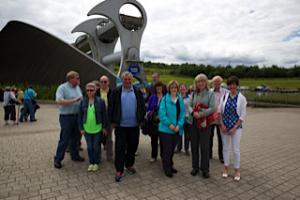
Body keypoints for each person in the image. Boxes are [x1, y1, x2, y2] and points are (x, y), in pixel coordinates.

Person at [108, 71, 146, 182]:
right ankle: (119, 169)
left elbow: (142, 106)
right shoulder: (116, 92)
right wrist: (111, 122)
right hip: (121, 126)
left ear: (132, 80)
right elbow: (111, 108)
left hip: (134, 126)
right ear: (122, 80)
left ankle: (129, 165)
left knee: (133, 146)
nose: (128, 81)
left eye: (129, 79)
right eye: (125, 79)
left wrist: (141, 119)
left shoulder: (137, 91)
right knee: (120, 148)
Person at [54, 71, 84, 169]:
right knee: (65, 139)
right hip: (66, 117)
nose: (79, 79)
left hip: (77, 116)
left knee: (76, 138)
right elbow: (58, 101)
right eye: (77, 78)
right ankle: (58, 159)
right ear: (71, 79)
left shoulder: (78, 87)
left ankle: (75, 156)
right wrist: (74, 100)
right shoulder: (62, 88)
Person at [218, 76, 247, 181]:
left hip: (236, 128)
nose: (232, 86)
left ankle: (236, 169)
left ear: (237, 85)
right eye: (230, 84)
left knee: (235, 150)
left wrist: (234, 127)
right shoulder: (224, 97)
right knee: (225, 148)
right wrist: (222, 125)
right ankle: (226, 168)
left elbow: (242, 116)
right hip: (225, 127)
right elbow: (219, 112)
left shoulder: (242, 98)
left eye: (234, 84)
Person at [189, 73, 215, 178]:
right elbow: (189, 106)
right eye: (198, 81)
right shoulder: (194, 93)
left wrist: (201, 114)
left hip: (205, 123)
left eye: (202, 81)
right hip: (194, 122)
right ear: (196, 83)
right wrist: (193, 113)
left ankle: (205, 169)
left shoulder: (210, 94)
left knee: (204, 147)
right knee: (194, 146)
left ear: (206, 82)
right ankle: (195, 167)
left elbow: (212, 108)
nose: (200, 83)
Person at [78, 82, 108, 172]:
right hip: (87, 128)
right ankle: (91, 162)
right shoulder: (83, 101)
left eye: (91, 90)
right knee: (90, 147)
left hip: (97, 128)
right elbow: (79, 116)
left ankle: (96, 162)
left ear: (95, 91)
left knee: (96, 146)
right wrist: (81, 128)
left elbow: (104, 115)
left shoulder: (100, 101)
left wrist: (104, 127)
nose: (89, 92)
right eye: (88, 90)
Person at [158, 80, 185, 178]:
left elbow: (182, 113)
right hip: (166, 129)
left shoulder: (180, 99)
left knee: (172, 149)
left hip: (177, 129)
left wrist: (179, 125)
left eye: (175, 87)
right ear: (169, 88)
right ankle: (167, 168)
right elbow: (161, 114)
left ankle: (170, 165)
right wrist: (170, 125)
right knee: (167, 150)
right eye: (172, 87)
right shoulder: (164, 99)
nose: (174, 89)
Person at [209, 76, 228, 163]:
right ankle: (209, 154)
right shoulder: (209, 92)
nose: (216, 84)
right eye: (215, 82)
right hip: (211, 117)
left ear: (221, 83)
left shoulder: (225, 92)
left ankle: (221, 156)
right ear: (213, 83)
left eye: (218, 82)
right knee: (209, 136)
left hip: (221, 118)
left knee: (221, 137)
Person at [146, 81, 164, 162]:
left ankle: (163, 156)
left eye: (160, 87)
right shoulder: (152, 97)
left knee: (163, 141)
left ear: (162, 88)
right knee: (154, 140)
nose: (159, 88)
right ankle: (154, 156)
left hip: (163, 122)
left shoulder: (166, 97)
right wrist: (151, 113)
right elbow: (148, 109)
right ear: (155, 88)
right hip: (153, 122)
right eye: (157, 87)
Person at [99, 75, 113, 161]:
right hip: (98, 119)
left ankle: (109, 156)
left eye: (105, 81)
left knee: (109, 139)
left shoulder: (113, 92)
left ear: (108, 83)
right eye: (102, 82)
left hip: (109, 119)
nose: (103, 83)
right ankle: (98, 156)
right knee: (98, 139)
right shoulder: (96, 92)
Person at [176, 83, 191, 156]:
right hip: (179, 119)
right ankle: (178, 148)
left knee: (187, 135)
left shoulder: (190, 97)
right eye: (181, 88)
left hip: (187, 118)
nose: (182, 90)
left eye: (184, 88)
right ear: (179, 89)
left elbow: (191, 108)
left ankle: (186, 149)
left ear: (186, 90)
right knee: (179, 134)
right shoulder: (177, 97)